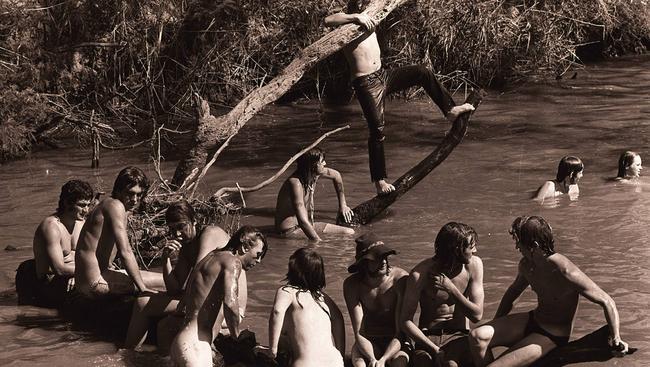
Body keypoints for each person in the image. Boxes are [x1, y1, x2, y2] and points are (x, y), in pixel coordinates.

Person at [324, 4, 475, 195]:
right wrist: (355, 17)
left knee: (421, 72)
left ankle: (450, 110)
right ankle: (379, 182)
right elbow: (327, 20)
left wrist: (363, 16)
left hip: (383, 75)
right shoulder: (346, 21)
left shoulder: (370, 13)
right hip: (365, 83)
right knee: (377, 130)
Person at [468, 216, 629, 367]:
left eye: (520, 243)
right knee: (477, 337)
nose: (517, 247)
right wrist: (497, 322)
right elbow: (513, 293)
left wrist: (616, 338)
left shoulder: (565, 271)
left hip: (552, 335)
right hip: (533, 319)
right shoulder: (527, 265)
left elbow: (607, 301)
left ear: (535, 246)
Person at [124, 200, 244, 350]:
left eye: (181, 226)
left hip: (227, 308)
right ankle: (129, 354)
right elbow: (174, 289)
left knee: (152, 311)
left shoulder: (210, 233)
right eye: (172, 229)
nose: (177, 234)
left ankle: (130, 354)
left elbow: (198, 277)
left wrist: (180, 308)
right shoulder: (187, 245)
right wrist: (165, 259)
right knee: (145, 305)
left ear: (195, 221)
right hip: (207, 301)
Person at [169, 226, 267, 367]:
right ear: (245, 247)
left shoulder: (210, 257)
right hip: (196, 346)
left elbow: (183, 303)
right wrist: (236, 335)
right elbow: (230, 303)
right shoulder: (233, 262)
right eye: (258, 254)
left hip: (180, 342)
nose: (258, 261)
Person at [400, 222, 484, 367]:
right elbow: (405, 321)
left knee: (451, 364)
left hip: (459, 335)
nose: (475, 251)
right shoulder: (420, 274)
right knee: (423, 363)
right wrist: (434, 349)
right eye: (471, 247)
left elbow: (477, 315)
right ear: (457, 250)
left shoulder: (474, 265)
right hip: (427, 337)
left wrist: (451, 289)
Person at [75, 166, 163, 298]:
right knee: (167, 282)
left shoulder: (108, 204)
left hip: (88, 281)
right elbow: (125, 251)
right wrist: (142, 289)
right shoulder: (115, 206)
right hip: (96, 283)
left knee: (156, 278)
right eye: (130, 193)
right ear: (119, 190)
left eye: (139, 195)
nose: (134, 199)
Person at [263, 247, 346, 367]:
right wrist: (341, 355)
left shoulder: (287, 291)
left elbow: (277, 311)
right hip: (335, 362)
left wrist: (272, 350)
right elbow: (338, 319)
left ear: (293, 268)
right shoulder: (323, 297)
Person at [24, 180, 94, 307]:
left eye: (88, 205)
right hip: (50, 282)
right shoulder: (51, 227)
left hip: (75, 274)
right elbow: (59, 269)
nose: (86, 210)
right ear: (67, 203)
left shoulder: (81, 223)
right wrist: (84, 273)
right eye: (82, 205)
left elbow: (93, 254)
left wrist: (79, 275)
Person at [344, 233, 409, 367]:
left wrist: (384, 359)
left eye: (385, 256)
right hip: (368, 340)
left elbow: (400, 331)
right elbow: (359, 333)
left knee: (399, 362)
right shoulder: (352, 285)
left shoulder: (400, 280)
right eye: (377, 258)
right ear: (364, 263)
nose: (384, 261)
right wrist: (373, 359)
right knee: (359, 362)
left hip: (396, 341)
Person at [275, 148, 355, 241]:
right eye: (322, 161)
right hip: (288, 232)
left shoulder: (315, 173)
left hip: (306, 225)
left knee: (349, 232)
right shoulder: (295, 183)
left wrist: (343, 205)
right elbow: (302, 221)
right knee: (325, 244)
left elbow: (336, 175)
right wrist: (318, 242)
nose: (325, 163)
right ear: (313, 166)